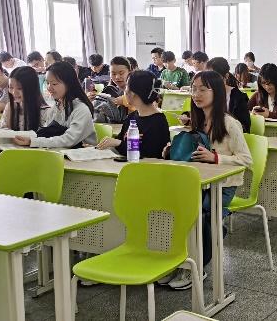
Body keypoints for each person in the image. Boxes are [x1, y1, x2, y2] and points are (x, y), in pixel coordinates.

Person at [164, 70, 252, 290]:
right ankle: (178, 261)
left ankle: (195, 267)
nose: (196, 94)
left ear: (217, 92)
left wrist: (215, 158)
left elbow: (246, 160)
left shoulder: (230, 123)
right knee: (171, 208)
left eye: (203, 89)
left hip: (223, 187)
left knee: (196, 214)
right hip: (198, 183)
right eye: (194, 89)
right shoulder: (197, 121)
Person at [14, 62, 96, 149]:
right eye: (47, 83)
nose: (49, 88)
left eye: (54, 84)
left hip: (81, 155)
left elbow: (69, 140)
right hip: (61, 152)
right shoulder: (57, 106)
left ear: (69, 84)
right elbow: (46, 131)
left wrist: (33, 141)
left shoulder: (81, 109)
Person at [97, 70, 170, 158]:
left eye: (126, 87)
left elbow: (150, 154)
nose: (124, 91)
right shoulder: (131, 117)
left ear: (133, 93)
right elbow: (121, 143)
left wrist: (118, 143)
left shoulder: (158, 122)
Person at [0, 66, 53, 130]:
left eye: (19, 88)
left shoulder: (45, 112)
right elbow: (0, 130)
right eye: (11, 87)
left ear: (32, 88)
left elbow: (46, 135)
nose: (14, 92)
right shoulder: (10, 107)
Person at [208, 57, 250, 133]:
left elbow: (244, 128)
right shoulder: (206, 94)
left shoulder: (238, 97)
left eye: (214, 78)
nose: (210, 82)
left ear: (226, 76)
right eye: (208, 77)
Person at [92, 56, 133, 124]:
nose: (117, 77)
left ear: (129, 72)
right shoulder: (109, 91)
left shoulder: (137, 90)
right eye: (113, 74)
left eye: (121, 73)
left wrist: (125, 101)